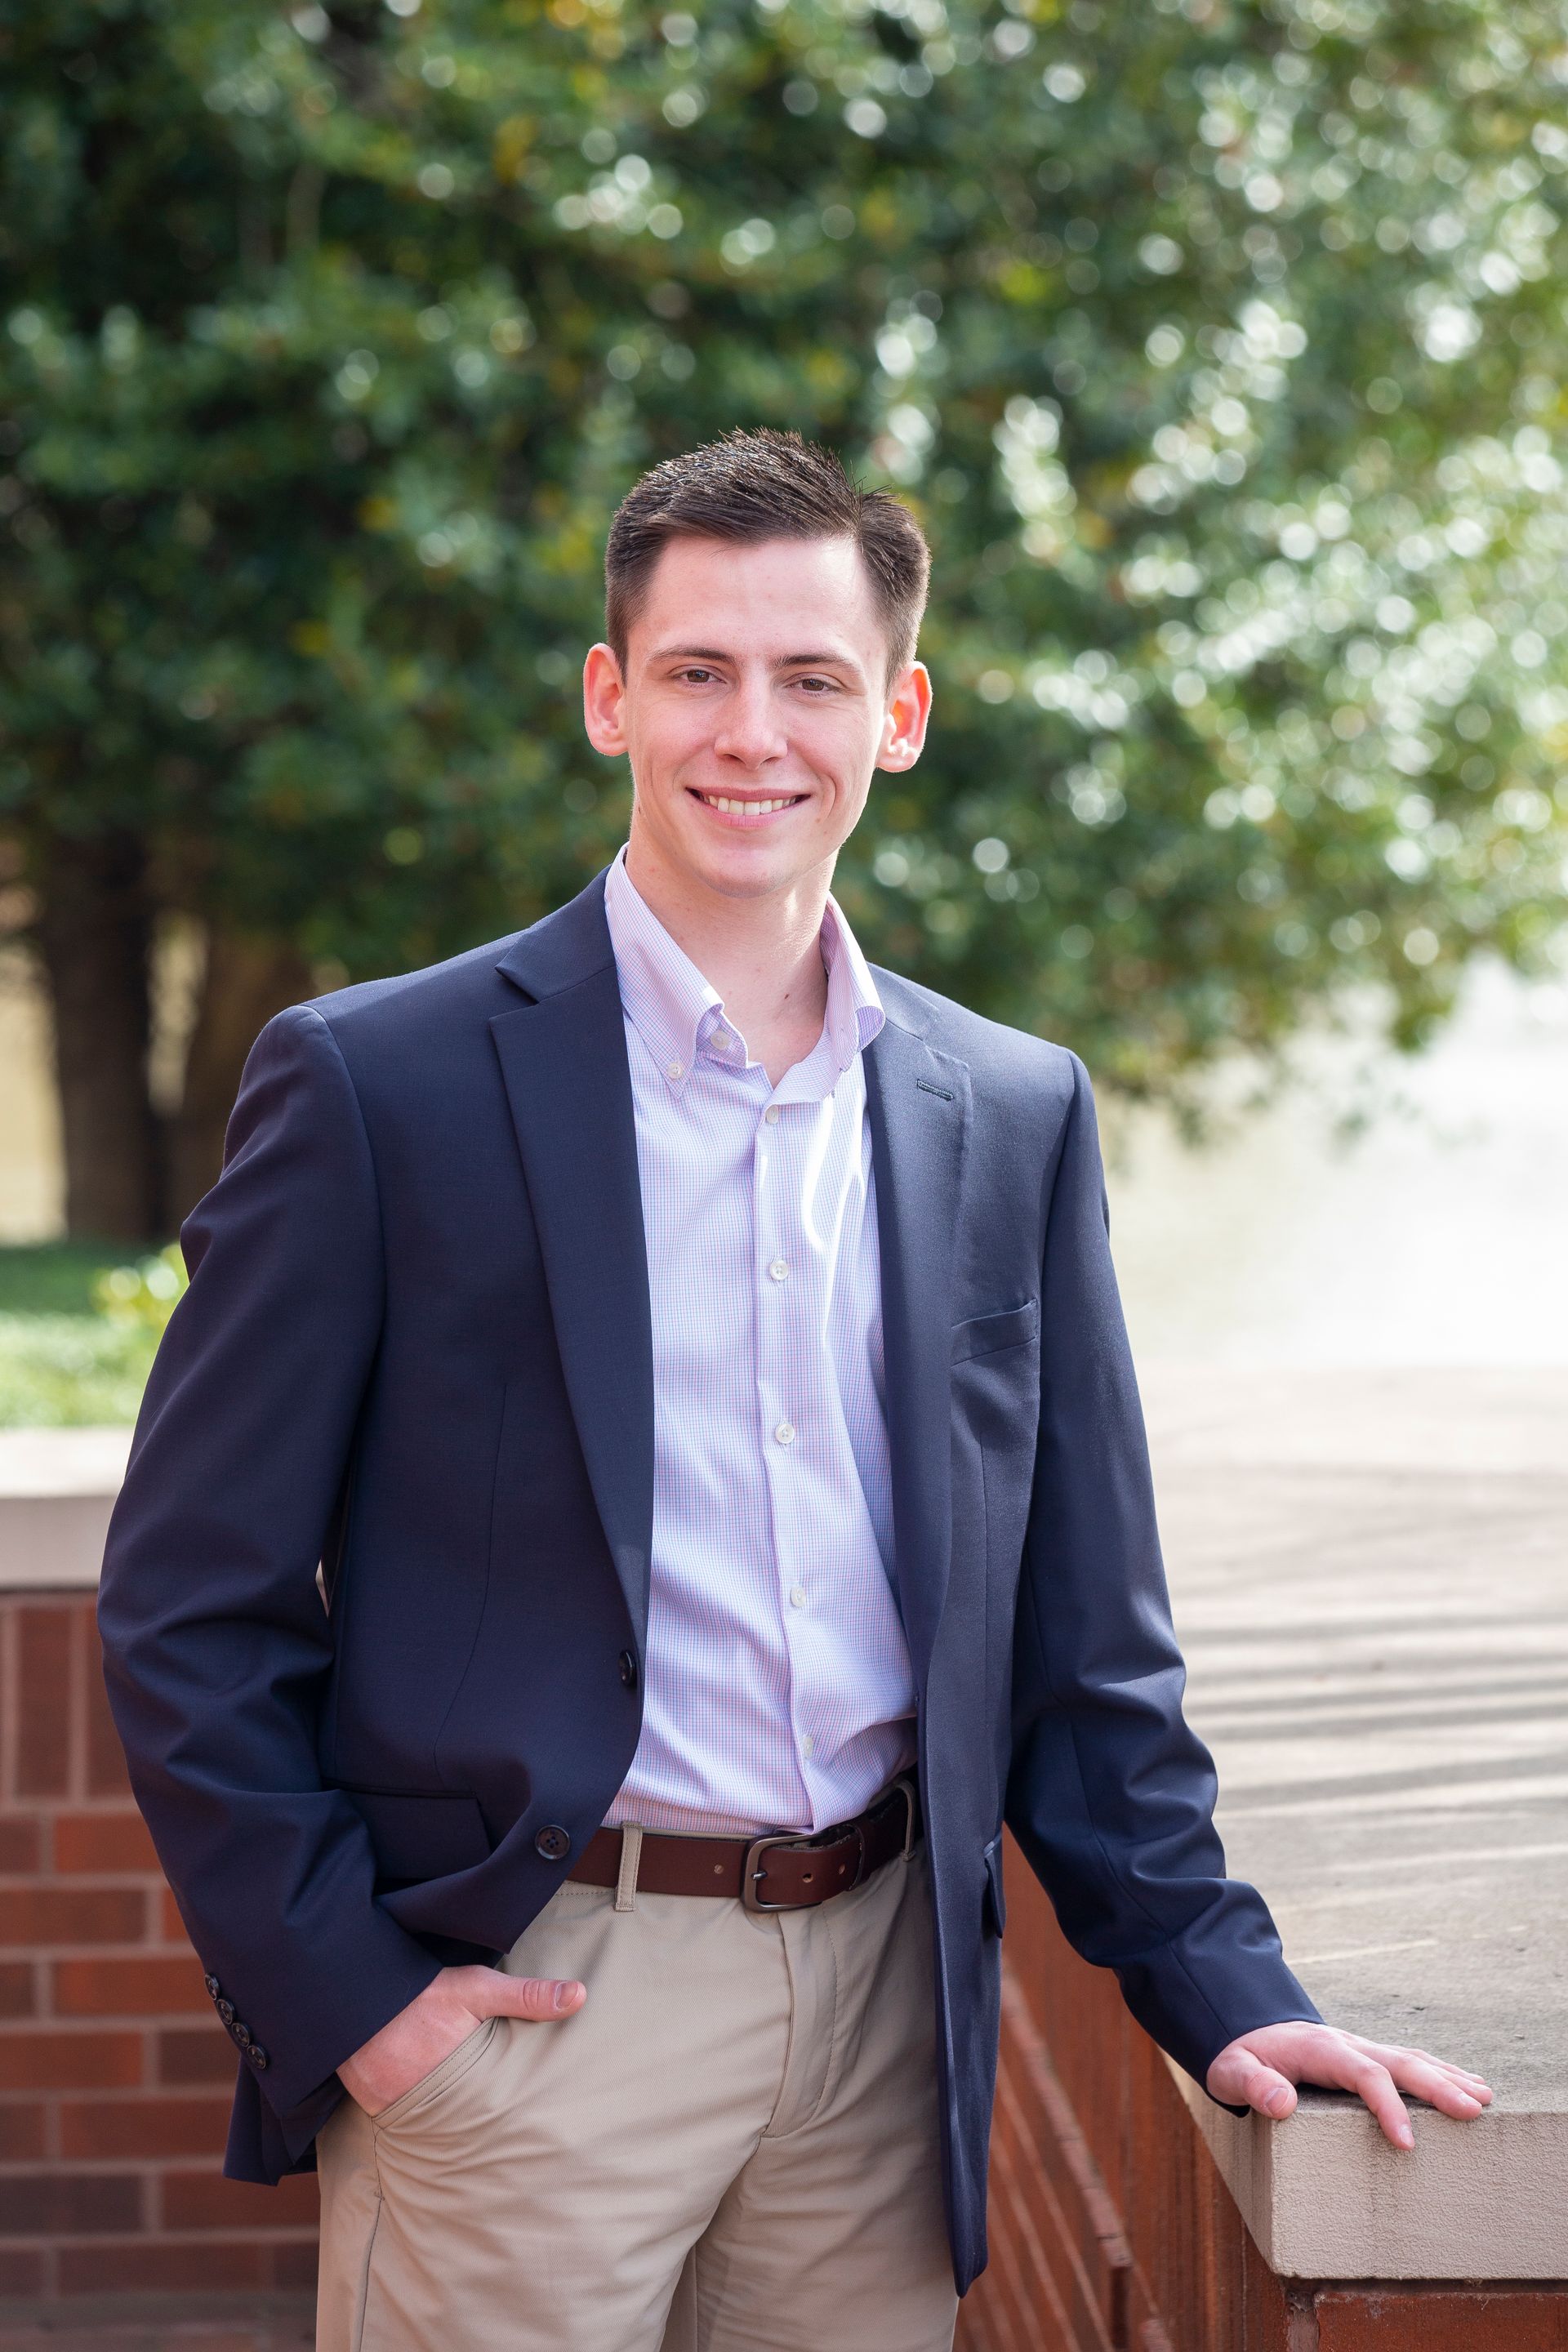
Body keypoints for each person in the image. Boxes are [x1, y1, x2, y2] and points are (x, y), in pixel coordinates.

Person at [98, 430, 1491, 2352]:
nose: (754, 731)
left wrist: (1221, 1985)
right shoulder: (378, 1089)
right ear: (611, 697)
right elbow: (190, 1602)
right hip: (531, 2009)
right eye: (697, 671)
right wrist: (361, 2005)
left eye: (813, 678)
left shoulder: (1007, 1113)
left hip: (881, 2014)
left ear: (898, 715)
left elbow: (1086, 1632)